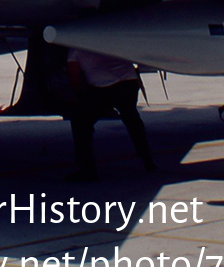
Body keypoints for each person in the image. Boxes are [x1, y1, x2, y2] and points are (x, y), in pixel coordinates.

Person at [65, 48, 157, 181]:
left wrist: (81, 99)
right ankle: (148, 162)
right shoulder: (102, 38)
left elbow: (74, 79)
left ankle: (87, 170)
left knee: (80, 122)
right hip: (129, 81)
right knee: (132, 119)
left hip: (104, 87)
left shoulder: (74, 50)